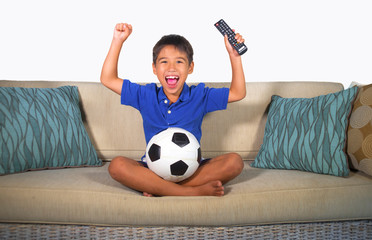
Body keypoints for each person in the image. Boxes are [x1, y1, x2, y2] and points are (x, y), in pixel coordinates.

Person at [100, 23, 246, 197]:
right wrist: (118, 40)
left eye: (179, 61)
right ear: (154, 68)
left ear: (190, 67)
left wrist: (234, 55)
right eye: (164, 62)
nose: (171, 68)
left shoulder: (200, 95)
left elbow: (238, 93)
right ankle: (190, 192)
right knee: (117, 166)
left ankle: (159, 188)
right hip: (153, 168)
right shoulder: (145, 94)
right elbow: (107, 78)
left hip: (192, 169)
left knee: (234, 162)